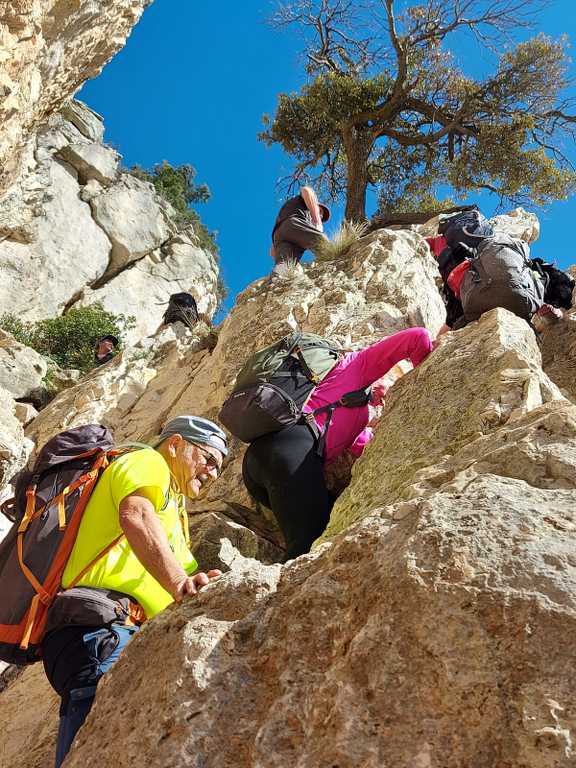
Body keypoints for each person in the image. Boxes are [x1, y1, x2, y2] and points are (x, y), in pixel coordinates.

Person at [41, 415, 227, 767]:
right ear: (175, 444)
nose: (213, 473)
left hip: (104, 632)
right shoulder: (148, 461)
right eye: (209, 460)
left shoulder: (172, 507)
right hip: (101, 627)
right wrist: (178, 584)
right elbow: (136, 514)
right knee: (96, 750)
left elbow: (184, 571)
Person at [242, 328, 433, 560]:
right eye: (396, 381)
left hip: (261, 463)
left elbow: (367, 447)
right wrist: (423, 383)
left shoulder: (356, 412)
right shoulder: (359, 363)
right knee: (307, 550)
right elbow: (418, 337)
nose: (392, 392)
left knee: (326, 527)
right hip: (292, 452)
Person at [270, 186, 330, 267]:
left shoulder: (290, 212)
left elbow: (272, 253)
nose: (320, 215)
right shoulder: (305, 202)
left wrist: (276, 246)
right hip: (292, 224)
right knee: (323, 242)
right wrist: (317, 221)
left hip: (279, 237)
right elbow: (306, 190)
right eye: (320, 211)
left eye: (321, 217)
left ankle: (279, 275)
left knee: (286, 266)